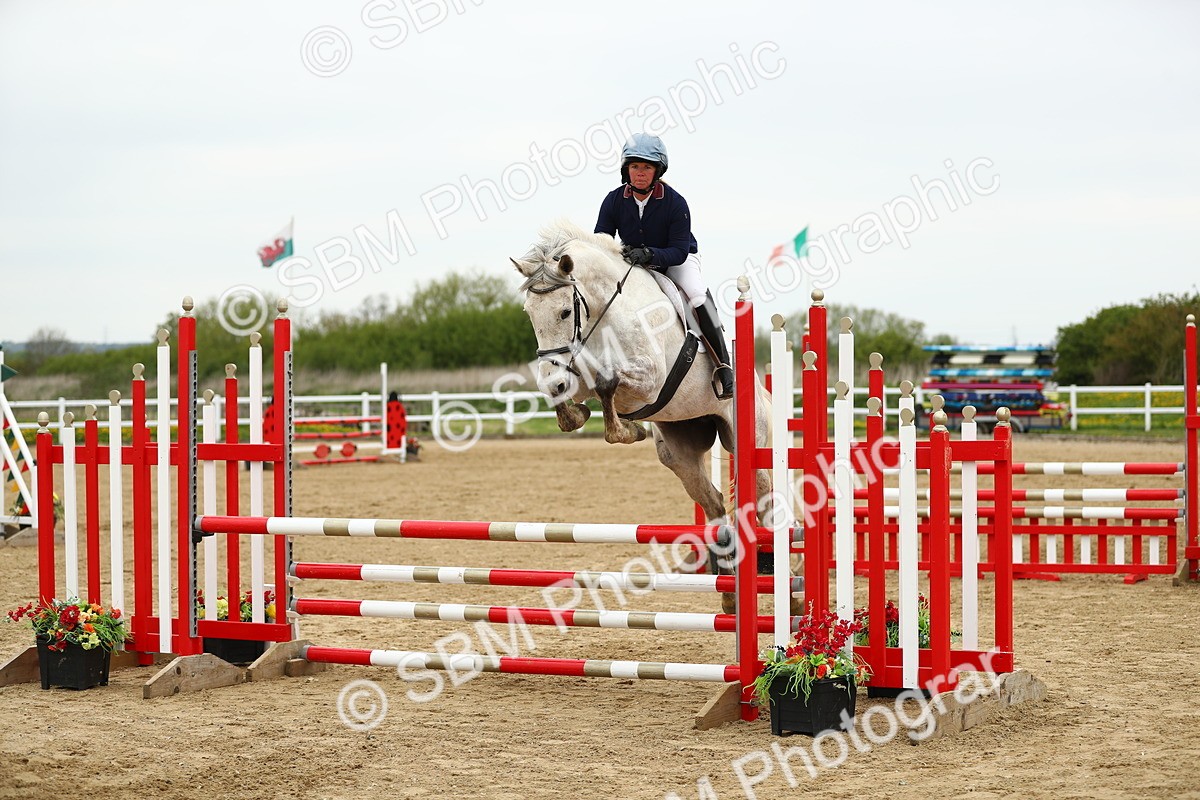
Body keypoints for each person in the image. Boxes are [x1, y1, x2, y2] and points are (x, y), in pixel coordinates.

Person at [594, 133, 734, 400]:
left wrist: (648, 254)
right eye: (635, 167)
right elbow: (601, 240)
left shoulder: (675, 203)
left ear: (657, 171)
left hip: (676, 260)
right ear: (626, 170)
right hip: (634, 260)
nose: (640, 173)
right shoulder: (613, 200)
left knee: (696, 293)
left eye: (646, 167)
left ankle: (724, 368)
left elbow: (679, 251)